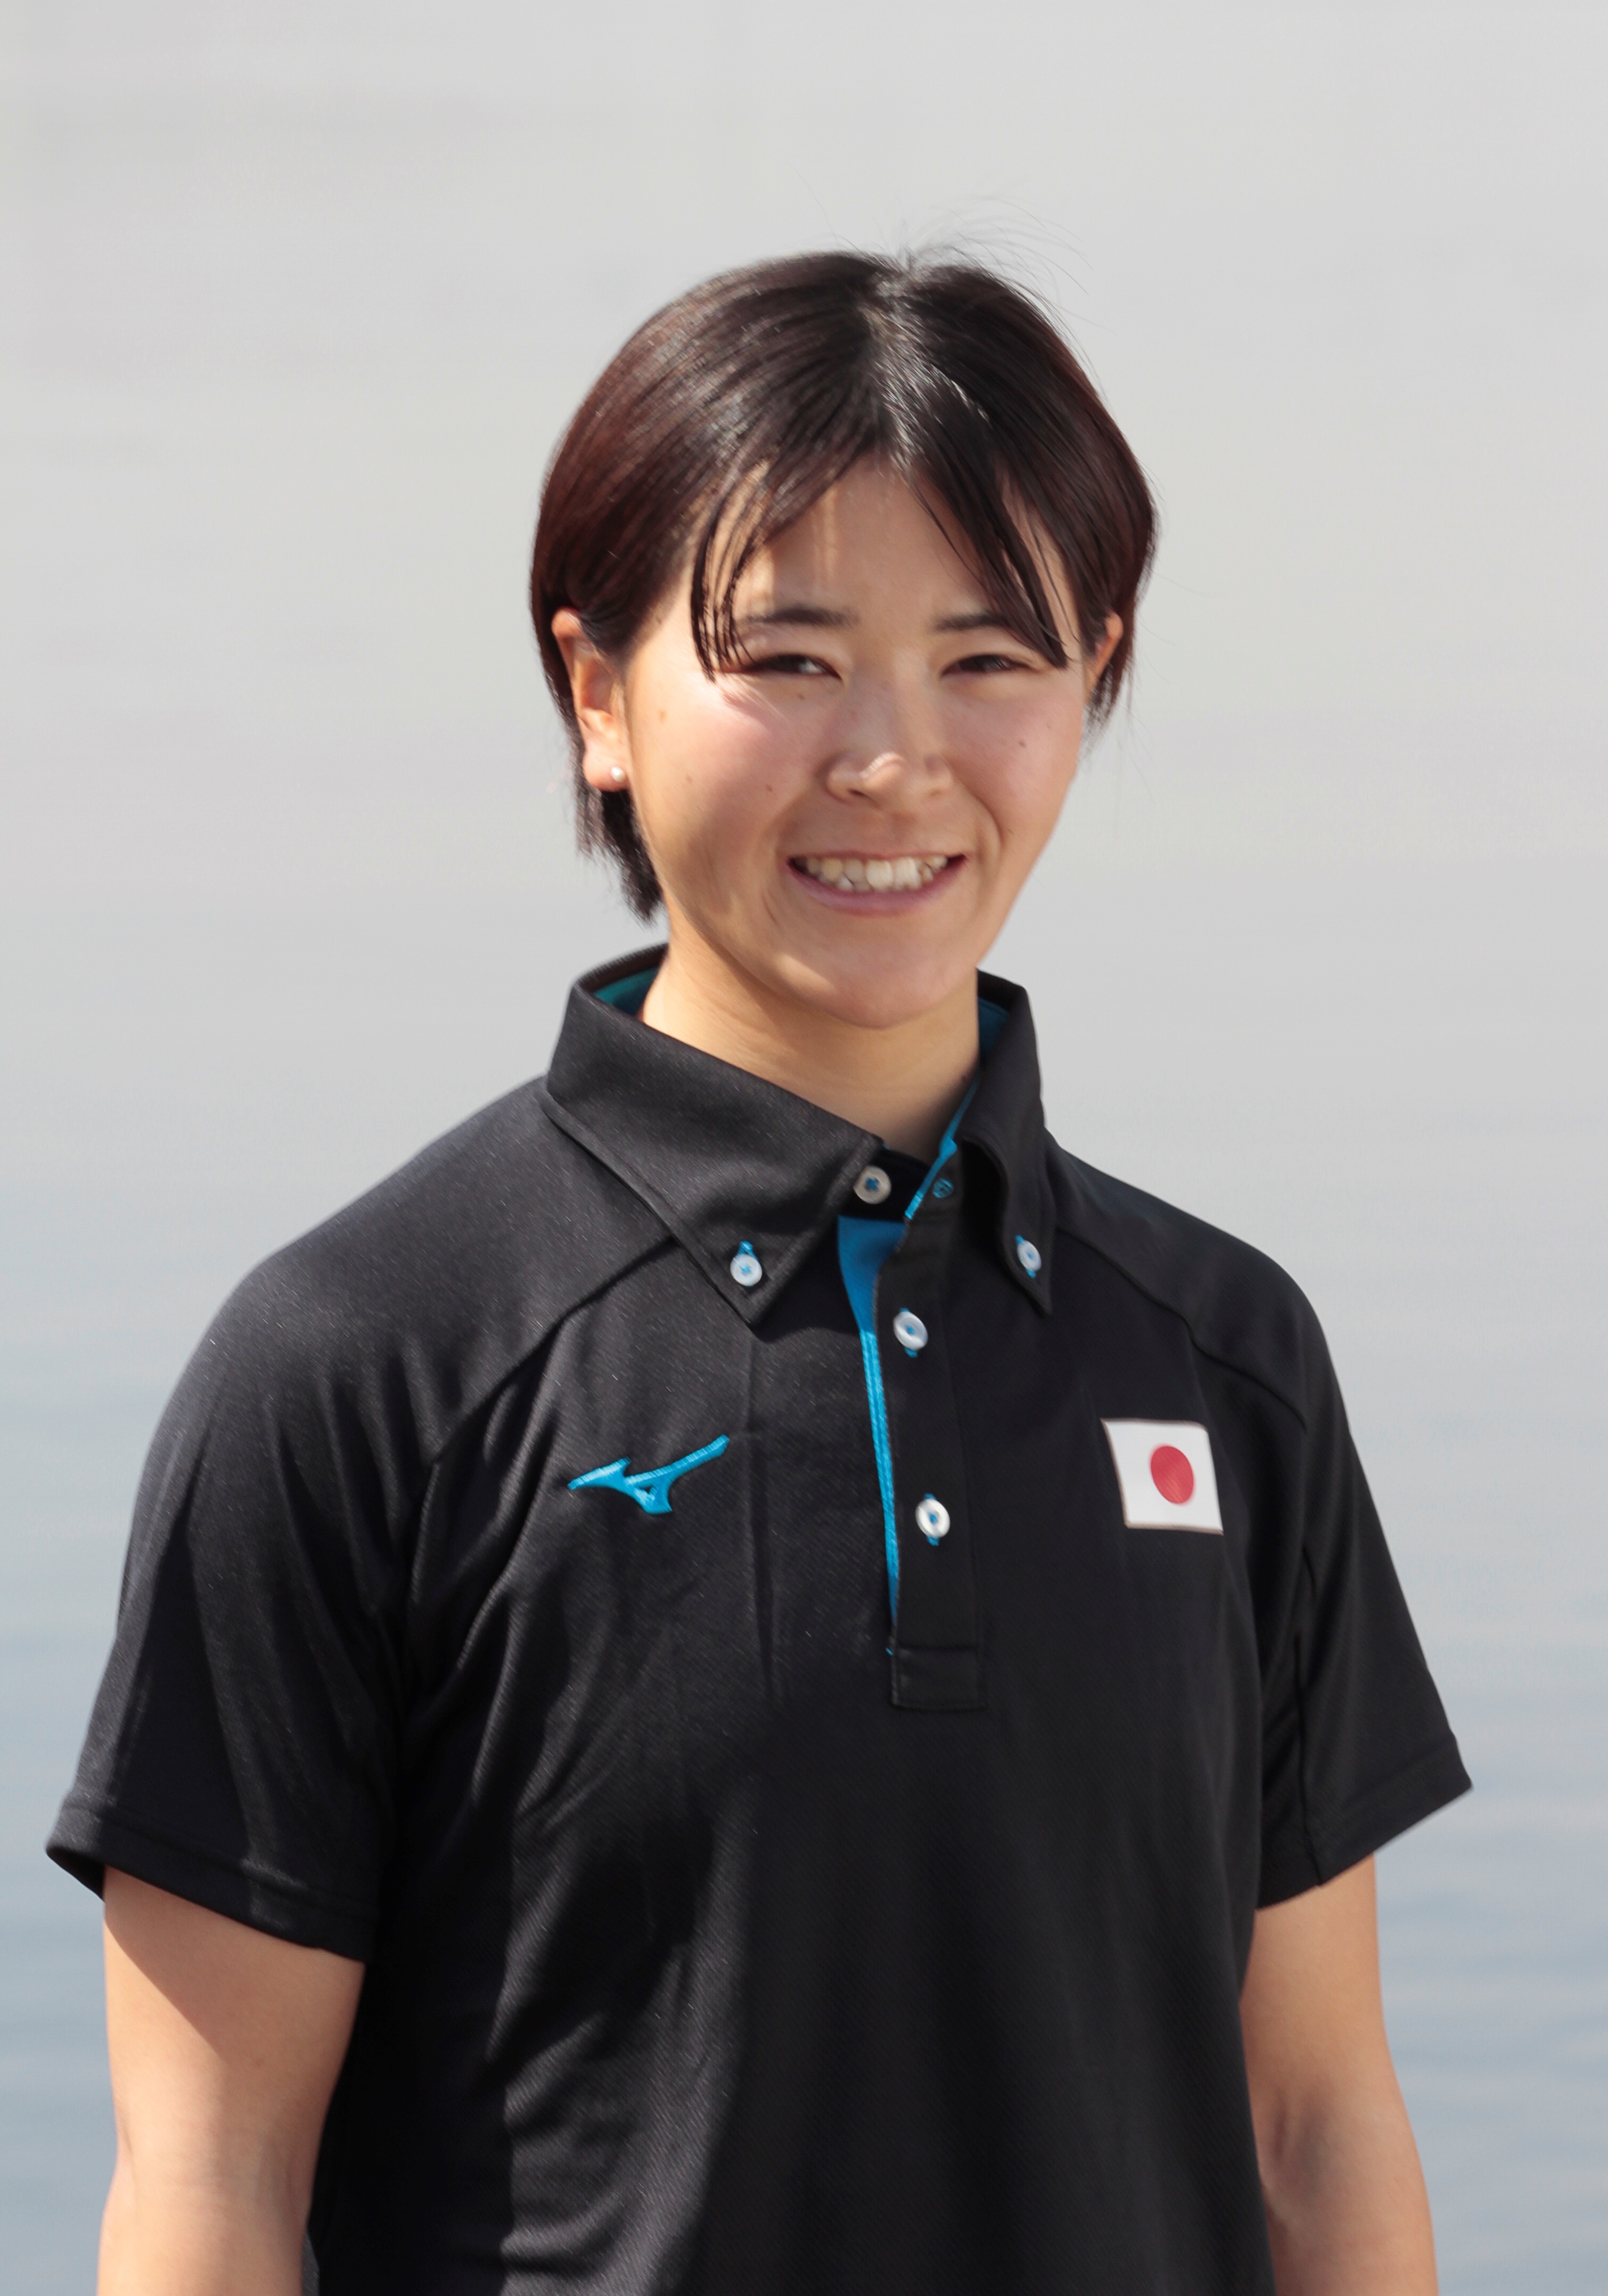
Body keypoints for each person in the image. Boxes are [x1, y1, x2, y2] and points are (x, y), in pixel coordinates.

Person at [51, 250, 1469, 2296]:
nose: (891, 759)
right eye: (788, 660)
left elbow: (1314, 2129)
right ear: (595, 697)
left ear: (1094, 675)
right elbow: (212, 2179)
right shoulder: (359, 1366)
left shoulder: (1223, 1359)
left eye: (990, 658)